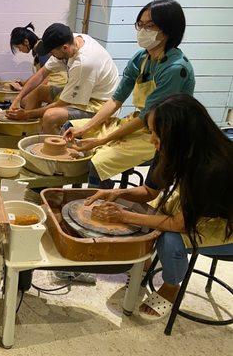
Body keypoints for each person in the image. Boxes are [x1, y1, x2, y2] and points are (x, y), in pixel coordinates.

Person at [86, 94, 232, 320]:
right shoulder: (171, 147)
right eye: (152, 131)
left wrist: (124, 216)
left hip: (226, 222)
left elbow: (179, 225)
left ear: (180, 136)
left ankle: (171, 287)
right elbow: (150, 191)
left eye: (156, 133)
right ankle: (142, 267)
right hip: (197, 206)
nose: (152, 139)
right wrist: (116, 192)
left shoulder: (214, 166)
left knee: (169, 239)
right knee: (137, 209)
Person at [64, 0, 195, 188]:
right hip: (139, 123)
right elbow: (116, 100)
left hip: (161, 134)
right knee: (71, 128)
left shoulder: (174, 69)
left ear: (169, 30)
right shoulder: (141, 58)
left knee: (98, 161)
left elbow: (146, 117)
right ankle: (73, 196)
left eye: (150, 26)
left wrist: (101, 140)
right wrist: (85, 129)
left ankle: (96, 206)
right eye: (140, 25)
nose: (142, 31)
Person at [7, 23, 119, 134]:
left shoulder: (83, 63)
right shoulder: (71, 40)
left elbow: (62, 104)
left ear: (65, 48)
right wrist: (18, 98)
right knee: (38, 91)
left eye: (51, 52)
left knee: (50, 116)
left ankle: (51, 147)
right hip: (87, 92)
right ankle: (27, 133)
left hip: (100, 105)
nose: (51, 55)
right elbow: (42, 73)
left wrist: (27, 115)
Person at [9, 22, 67, 104]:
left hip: (59, 85)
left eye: (19, 47)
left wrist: (32, 91)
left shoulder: (41, 49)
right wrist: (22, 83)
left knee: (24, 101)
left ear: (26, 42)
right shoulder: (39, 46)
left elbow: (47, 75)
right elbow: (39, 74)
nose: (20, 50)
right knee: (24, 96)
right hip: (56, 83)